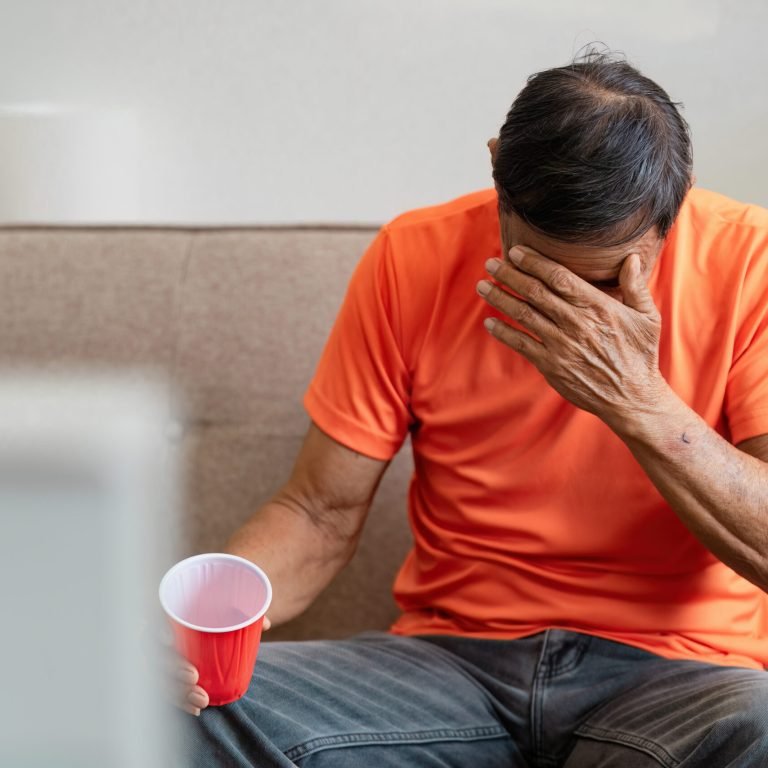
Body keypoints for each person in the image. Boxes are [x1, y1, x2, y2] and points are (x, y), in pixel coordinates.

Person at [175, 51, 768, 766]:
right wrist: (187, 634)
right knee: (166, 711)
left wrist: (639, 403)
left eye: (610, 277)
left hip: (682, 676)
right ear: (497, 172)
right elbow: (317, 512)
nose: (574, 312)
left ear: (679, 203)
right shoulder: (412, 255)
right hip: (450, 668)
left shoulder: (750, 262)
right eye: (535, 271)